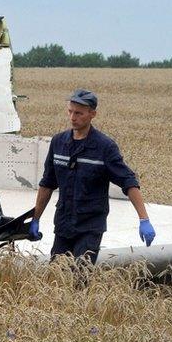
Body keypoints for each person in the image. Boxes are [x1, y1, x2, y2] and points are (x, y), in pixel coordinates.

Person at [29, 89, 156, 264]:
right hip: (64, 222)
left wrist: (144, 219)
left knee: (81, 274)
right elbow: (47, 183)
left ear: (92, 114)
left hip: (90, 226)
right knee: (56, 274)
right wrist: (35, 218)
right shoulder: (58, 143)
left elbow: (129, 182)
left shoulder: (104, 147)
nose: (73, 117)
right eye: (70, 112)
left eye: (79, 113)